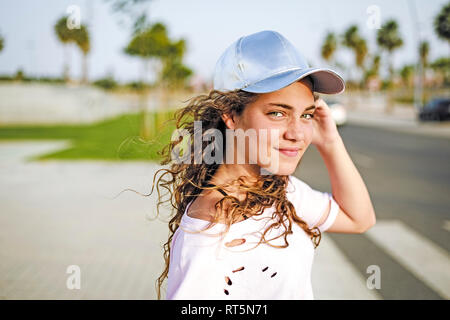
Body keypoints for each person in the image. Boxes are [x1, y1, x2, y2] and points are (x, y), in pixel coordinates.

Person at [152, 30, 376, 300]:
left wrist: (330, 142)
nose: (297, 133)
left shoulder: (280, 190)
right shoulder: (210, 232)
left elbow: (359, 219)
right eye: (277, 113)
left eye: (306, 114)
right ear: (231, 115)